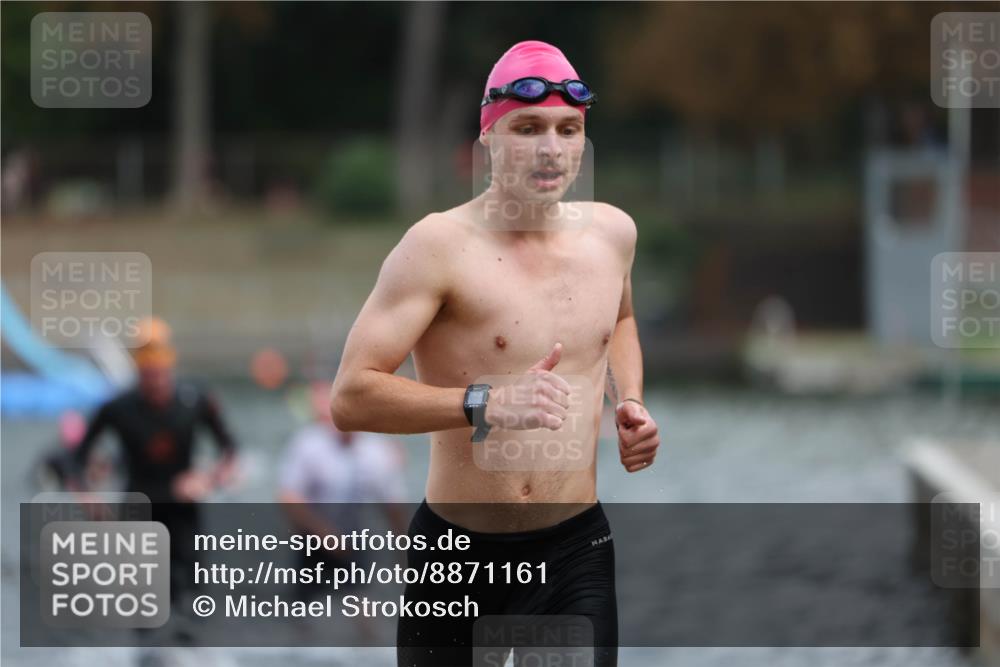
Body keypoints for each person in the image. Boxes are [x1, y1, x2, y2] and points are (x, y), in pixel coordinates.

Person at [330, 40, 660, 666]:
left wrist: (632, 399)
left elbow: (620, 319)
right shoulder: (437, 246)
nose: (551, 148)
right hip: (456, 556)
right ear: (488, 138)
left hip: (573, 552)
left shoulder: (613, 235)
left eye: (569, 130)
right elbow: (350, 396)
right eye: (528, 127)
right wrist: (484, 402)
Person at [69, 318, 238, 607]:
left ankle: (192, 648)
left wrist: (207, 480)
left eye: (161, 376)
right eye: (149, 377)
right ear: (139, 373)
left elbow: (231, 449)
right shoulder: (118, 408)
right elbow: (74, 459)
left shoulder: (194, 399)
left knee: (192, 598)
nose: (157, 385)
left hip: (184, 512)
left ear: (169, 370)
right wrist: (87, 496)